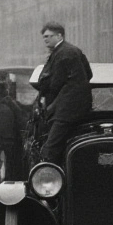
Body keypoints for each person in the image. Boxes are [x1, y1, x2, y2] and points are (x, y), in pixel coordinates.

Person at [35, 21, 93, 164]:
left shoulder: (62, 53)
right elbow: (89, 74)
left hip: (66, 110)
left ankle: (49, 175)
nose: (45, 39)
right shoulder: (72, 50)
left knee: (50, 147)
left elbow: (55, 84)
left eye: (49, 36)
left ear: (60, 35)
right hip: (77, 106)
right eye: (44, 37)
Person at [0, 81, 26, 183]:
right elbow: (20, 120)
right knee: (10, 160)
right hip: (10, 138)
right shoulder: (13, 104)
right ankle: (8, 178)